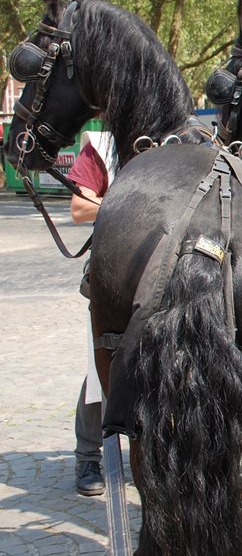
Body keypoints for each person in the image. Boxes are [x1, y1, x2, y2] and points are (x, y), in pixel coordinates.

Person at [67, 132, 117, 496]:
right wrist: (129, 202)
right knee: (100, 369)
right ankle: (88, 455)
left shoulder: (174, 139)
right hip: (111, 274)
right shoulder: (102, 147)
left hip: (167, 271)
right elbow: (80, 208)